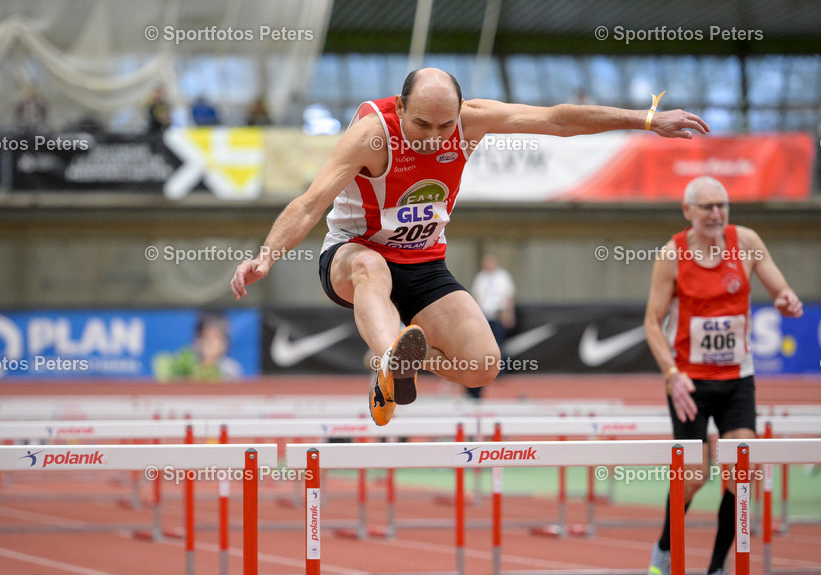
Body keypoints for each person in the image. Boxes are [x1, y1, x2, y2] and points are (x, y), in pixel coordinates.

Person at [232, 67, 709, 425]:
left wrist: (645, 119)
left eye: (445, 126)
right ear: (400, 110)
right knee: (371, 267)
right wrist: (267, 255)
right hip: (352, 254)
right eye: (421, 125)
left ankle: (402, 361)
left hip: (422, 263)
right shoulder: (371, 136)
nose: (434, 138)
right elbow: (311, 202)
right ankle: (387, 362)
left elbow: (557, 120)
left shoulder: (472, 121)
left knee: (483, 367)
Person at [642, 175, 803, 575]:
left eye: (722, 206)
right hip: (689, 383)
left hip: (736, 379)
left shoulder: (746, 241)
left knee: (741, 473)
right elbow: (652, 323)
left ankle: (716, 573)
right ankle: (663, 552)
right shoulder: (672, 254)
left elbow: (778, 286)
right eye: (707, 207)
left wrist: (786, 298)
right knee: (694, 476)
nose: (716, 214)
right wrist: (672, 373)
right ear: (688, 211)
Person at [467, 253, 516, 399]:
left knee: (499, 345)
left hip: (497, 314)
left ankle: (500, 373)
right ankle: (485, 373)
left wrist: (508, 313)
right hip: (484, 316)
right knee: (482, 347)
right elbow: (475, 296)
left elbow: (508, 296)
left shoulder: (503, 277)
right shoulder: (481, 277)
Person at [152, 311, 243, 381]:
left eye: (216, 339)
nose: (210, 344)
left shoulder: (230, 369)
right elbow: (161, 366)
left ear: (224, 344)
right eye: (205, 337)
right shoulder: (184, 362)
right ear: (197, 340)